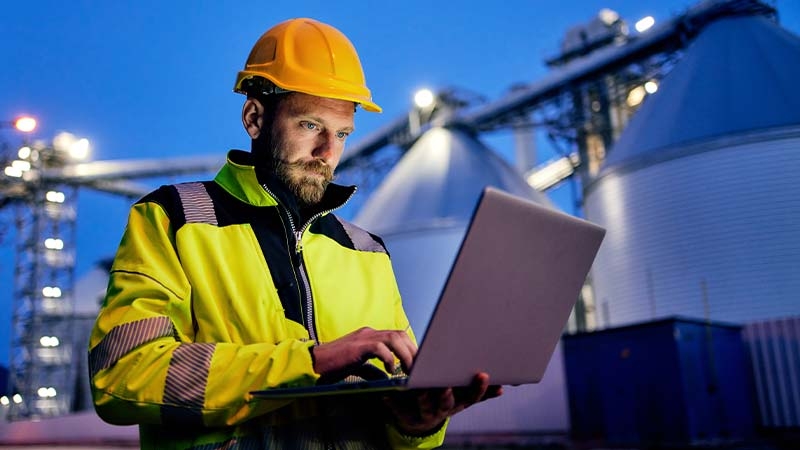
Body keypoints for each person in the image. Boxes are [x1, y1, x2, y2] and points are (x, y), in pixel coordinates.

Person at [88, 17, 501, 449]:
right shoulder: (175, 218)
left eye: (342, 134)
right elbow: (121, 374)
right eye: (310, 126)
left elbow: (401, 420)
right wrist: (312, 361)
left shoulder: (367, 250)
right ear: (254, 117)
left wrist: (419, 425)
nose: (327, 153)